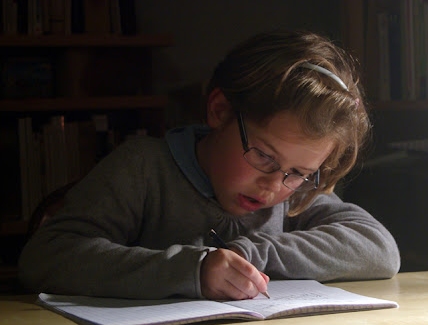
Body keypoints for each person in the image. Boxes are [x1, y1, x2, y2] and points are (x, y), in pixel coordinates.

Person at [18, 30, 400, 301]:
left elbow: (379, 249)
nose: (273, 187)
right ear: (219, 110)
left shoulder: (291, 193)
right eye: (264, 156)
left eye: (299, 172)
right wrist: (193, 270)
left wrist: (251, 254)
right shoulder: (143, 168)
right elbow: (45, 256)